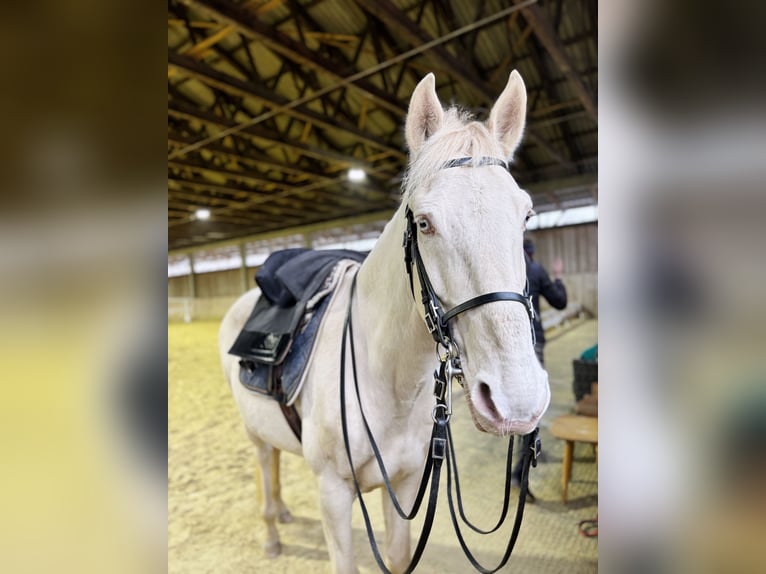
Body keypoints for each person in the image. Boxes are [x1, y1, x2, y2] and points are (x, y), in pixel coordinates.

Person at [511, 238, 568, 500]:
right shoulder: (534, 270)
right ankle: (520, 473)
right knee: (532, 406)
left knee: (513, 407)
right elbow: (560, 302)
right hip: (531, 343)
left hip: (507, 346)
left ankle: (522, 456)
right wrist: (557, 278)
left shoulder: (508, 268)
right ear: (532, 253)